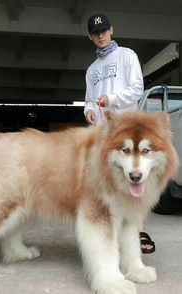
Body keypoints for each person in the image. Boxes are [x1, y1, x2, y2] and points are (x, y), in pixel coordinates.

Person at [84, 13, 155, 254]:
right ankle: (110, 231)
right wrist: (89, 111)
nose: (101, 35)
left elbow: (137, 88)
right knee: (106, 184)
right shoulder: (92, 69)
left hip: (126, 130)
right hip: (103, 136)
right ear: (90, 37)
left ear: (111, 29)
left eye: (104, 30)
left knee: (133, 178)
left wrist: (112, 99)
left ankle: (139, 229)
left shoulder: (126, 55)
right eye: (96, 33)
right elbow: (89, 100)